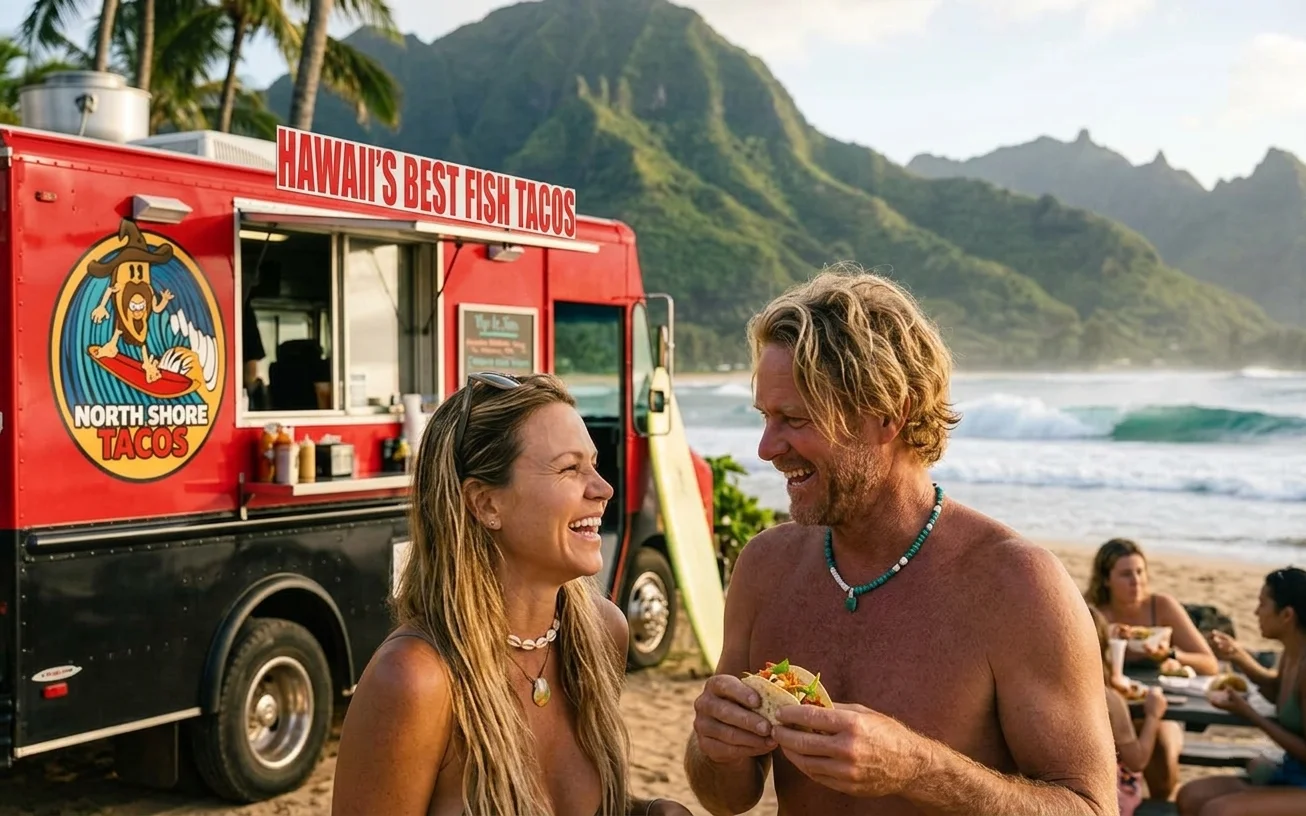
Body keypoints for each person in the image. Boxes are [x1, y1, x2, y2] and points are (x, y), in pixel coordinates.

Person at [683, 265, 1118, 815]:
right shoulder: (765, 568)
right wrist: (713, 746)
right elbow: (727, 798)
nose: (767, 448)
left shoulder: (1016, 585)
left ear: (888, 414)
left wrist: (919, 767)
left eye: (794, 418)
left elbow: (1088, 807)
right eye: (766, 417)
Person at [332, 372, 691, 816]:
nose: (603, 489)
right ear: (485, 504)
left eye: (594, 465)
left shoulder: (602, 632)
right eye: (569, 469)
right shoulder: (416, 680)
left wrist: (649, 811)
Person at [1086, 537, 1219, 801]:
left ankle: (1157, 803)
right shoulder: (1093, 612)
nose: (1136, 581)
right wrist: (1104, 640)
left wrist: (1170, 654)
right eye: (1126, 574)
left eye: (1140, 572)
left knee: (1161, 747)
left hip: (1159, 704)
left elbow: (1209, 664)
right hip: (1108, 705)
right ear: (1105, 579)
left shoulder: (1161, 607)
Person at [1175, 567, 1306, 816]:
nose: (1256, 612)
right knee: (1189, 797)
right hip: (1291, 770)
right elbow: (1279, 692)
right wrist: (1240, 657)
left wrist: (1249, 714)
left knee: (1218, 811)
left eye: (1263, 604)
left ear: (1287, 614)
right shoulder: (1292, 652)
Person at [1088, 605, 1168, 816]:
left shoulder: (1045, 690)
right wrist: (1153, 715)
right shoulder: (1108, 699)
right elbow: (1137, 760)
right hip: (1110, 799)